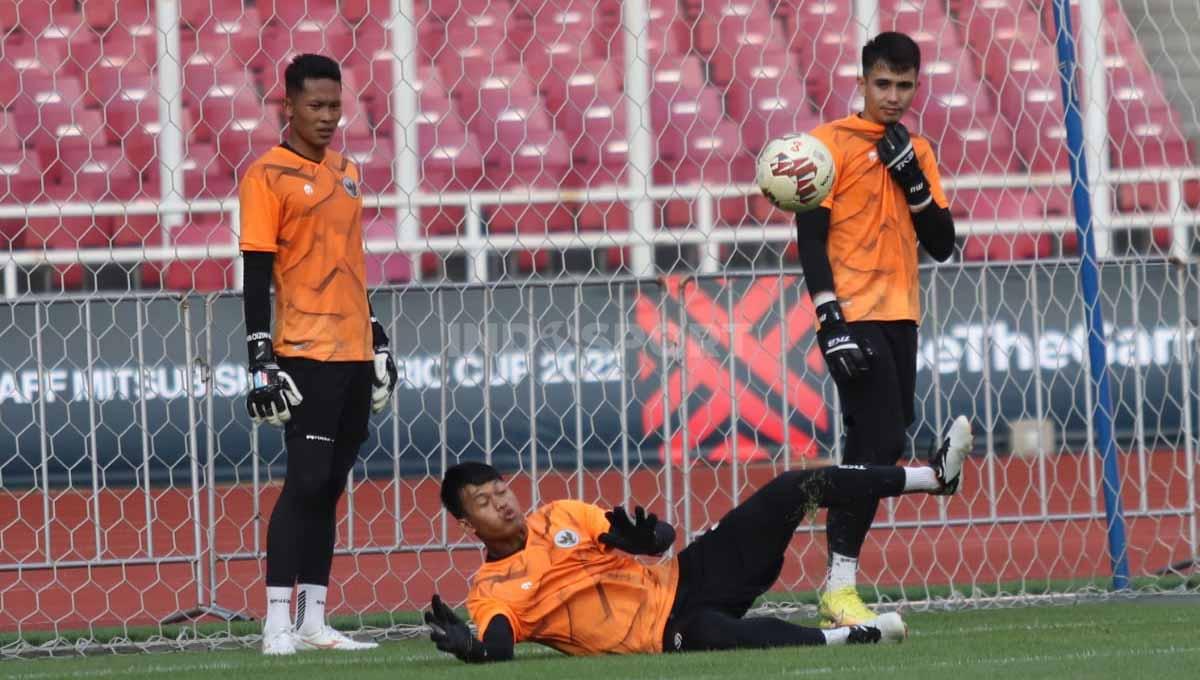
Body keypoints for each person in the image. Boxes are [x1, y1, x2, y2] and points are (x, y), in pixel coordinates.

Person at [421, 417, 972, 662]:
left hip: (686, 576)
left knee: (790, 488)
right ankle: (856, 638)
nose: (503, 503)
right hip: (665, 633)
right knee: (715, 633)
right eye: (485, 502)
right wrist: (469, 647)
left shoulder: (558, 514)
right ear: (467, 525)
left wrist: (643, 536)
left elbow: (657, 536)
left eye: (500, 489)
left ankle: (932, 477)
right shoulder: (491, 588)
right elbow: (498, 646)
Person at [794, 32, 957, 627]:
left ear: (917, 85)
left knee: (877, 444)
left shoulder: (918, 148)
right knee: (880, 437)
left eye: (904, 86)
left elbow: (941, 244)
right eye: (882, 84)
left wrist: (913, 178)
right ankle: (840, 584)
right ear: (861, 82)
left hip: (901, 314)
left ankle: (827, 520)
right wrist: (828, 316)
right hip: (851, 314)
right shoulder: (825, 146)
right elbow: (810, 238)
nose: (893, 96)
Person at [239, 53, 398, 655]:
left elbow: (352, 264)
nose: (329, 116)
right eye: (317, 106)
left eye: (336, 105)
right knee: (303, 482)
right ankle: (276, 620)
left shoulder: (348, 170)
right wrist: (260, 354)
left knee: (330, 485)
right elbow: (256, 271)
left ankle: (313, 620)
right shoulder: (267, 176)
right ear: (288, 107)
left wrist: (378, 337)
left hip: (354, 350)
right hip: (304, 349)